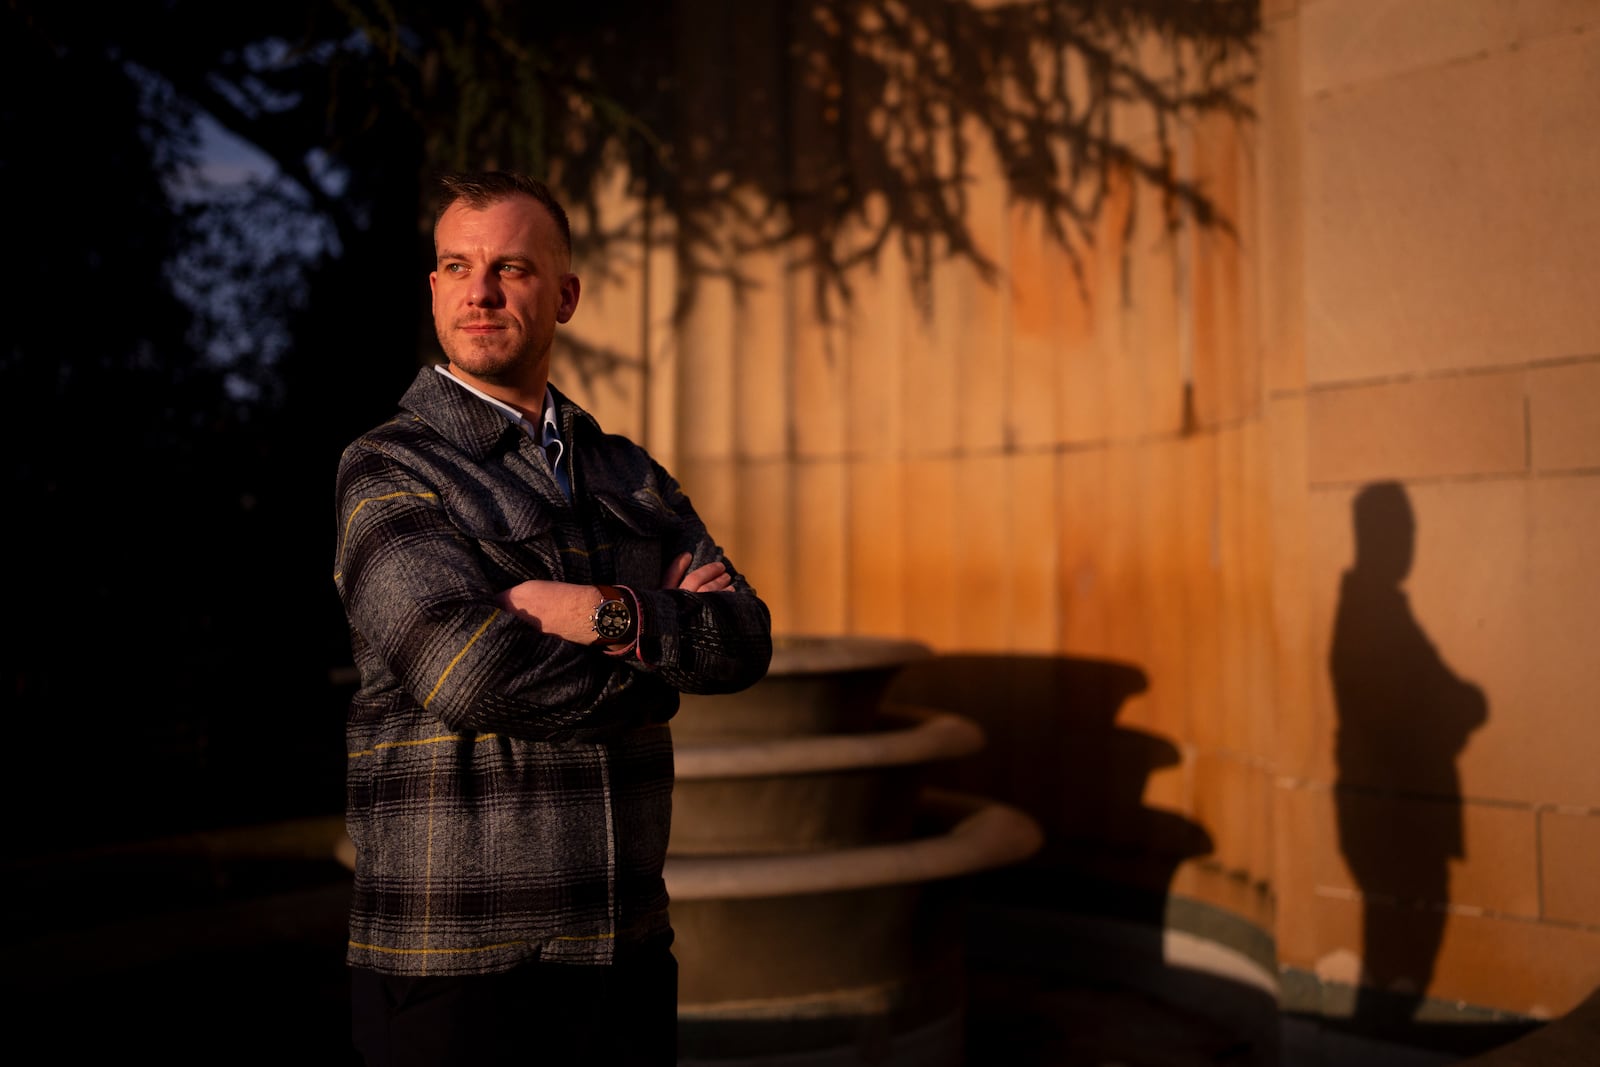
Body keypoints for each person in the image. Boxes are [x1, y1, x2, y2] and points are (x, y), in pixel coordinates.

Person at [332, 169, 773, 1066]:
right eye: (457, 265)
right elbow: (467, 672)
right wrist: (657, 666)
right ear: (435, 288)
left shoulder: (629, 472)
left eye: (512, 268)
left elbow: (744, 639)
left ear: (565, 294)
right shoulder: (388, 468)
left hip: (623, 944)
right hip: (457, 956)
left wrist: (594, 612)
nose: (481, 290)